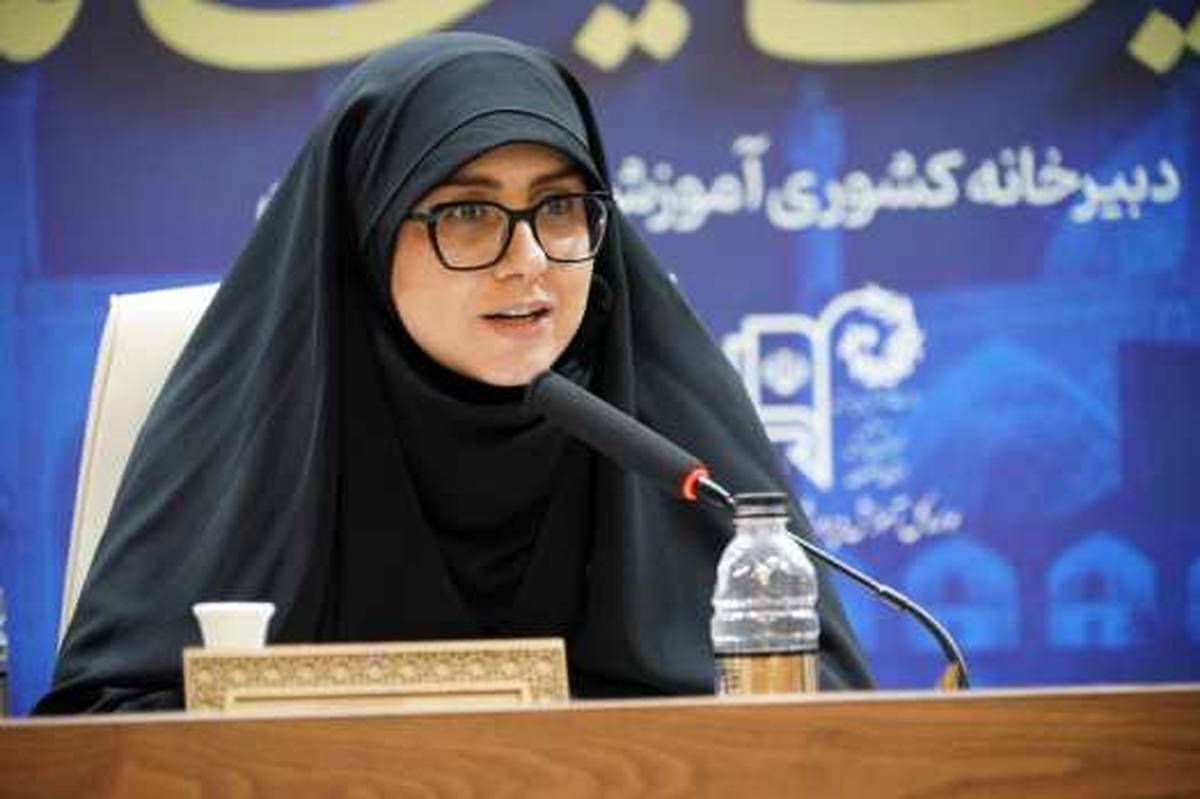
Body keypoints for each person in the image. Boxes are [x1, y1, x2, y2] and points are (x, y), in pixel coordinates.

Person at [36, 32, 871, 713]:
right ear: (368, 232)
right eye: (469, 212)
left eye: (560, 206)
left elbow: (822, 718)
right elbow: (106, 735)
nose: (529, 258)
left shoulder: (663, 427)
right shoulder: (263, 423)